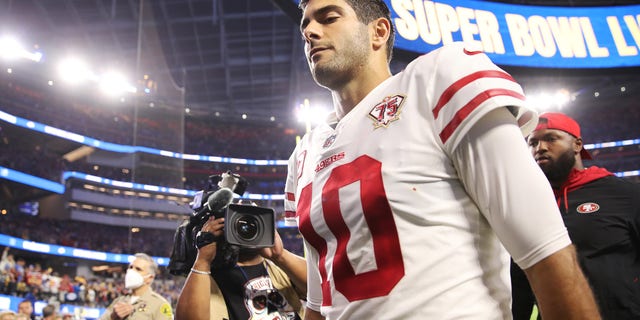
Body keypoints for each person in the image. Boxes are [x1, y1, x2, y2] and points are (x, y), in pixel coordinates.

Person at [285, 0, 601, 319]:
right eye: (305, 25)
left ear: (378, 32)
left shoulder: (436, 78)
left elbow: (544, 249)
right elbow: (319, 303)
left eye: (328, 18)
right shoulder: (304, 154)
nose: (310, 31)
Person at [512, 112, 640, 319]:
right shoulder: (527, 204)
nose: (540, 148)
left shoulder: (624, 194)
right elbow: (519, 281)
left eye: (551, 139)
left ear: (577, 145)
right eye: (532, 143)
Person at [175, 222, 307, 320]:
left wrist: (280, 256)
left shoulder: (280, 268)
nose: (246, 228)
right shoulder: (206, 279)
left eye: (253, 221)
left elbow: (323, 290)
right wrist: (203, 260)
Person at [99, 253, 173, 320]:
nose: (131, 271)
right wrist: (112, 317)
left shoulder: (159, 304)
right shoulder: (119, 301)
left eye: (138, 269)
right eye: (131, 267)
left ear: (150, 278)